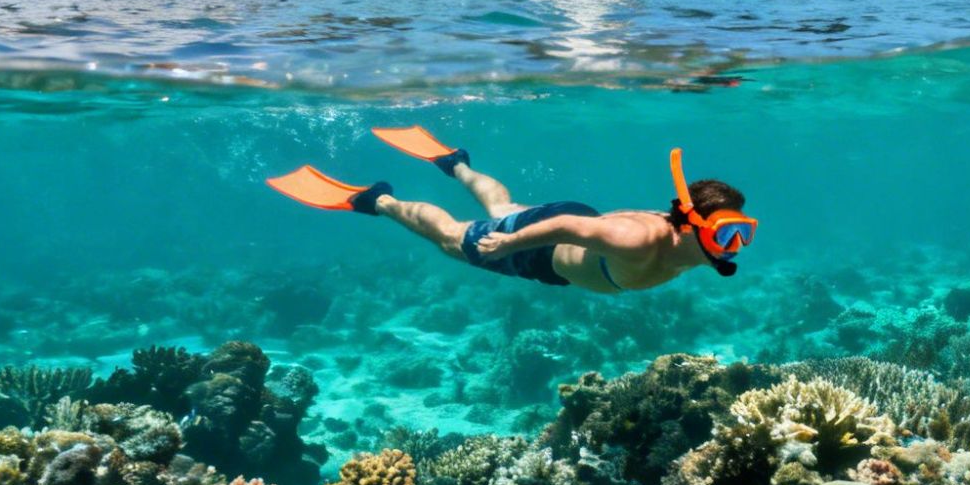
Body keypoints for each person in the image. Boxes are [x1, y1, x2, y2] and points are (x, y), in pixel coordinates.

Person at [266, 129, 754, 292]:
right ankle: (378, 199)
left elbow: (580, 222)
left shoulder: (678, 232)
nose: (734, 247)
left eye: (741, 234)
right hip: (538, 248)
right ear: (692, 226)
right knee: (454, 239)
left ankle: (454, 164)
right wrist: (508, 244)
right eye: (727, 233)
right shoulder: (639, 240)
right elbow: (561, 226)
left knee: (502, 203)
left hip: (576, 229)